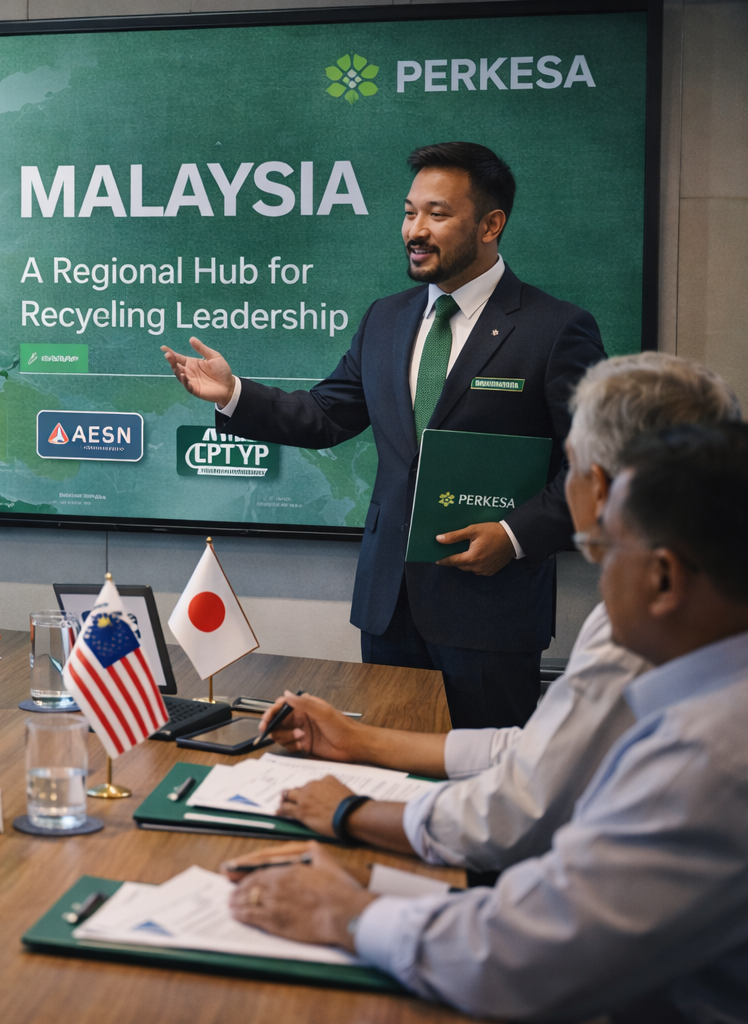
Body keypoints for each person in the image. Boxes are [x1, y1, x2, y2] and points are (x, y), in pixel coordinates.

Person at [225, 421, 748, 1023]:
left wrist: (340, 910)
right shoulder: (697, 699)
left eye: (606, 548)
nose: (599, 574)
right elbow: (534, 758)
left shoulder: (709, 757)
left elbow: (522, 956)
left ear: (663, 579)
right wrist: (363, 759)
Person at [163, 142, 606, 728]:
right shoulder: (386, 318)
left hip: (491, 610)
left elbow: (596, 468)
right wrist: (234, 394)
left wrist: (514, 535)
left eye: (437, 214)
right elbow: (326, 415)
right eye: (409, 212)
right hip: (388, 607)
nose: (415, 231)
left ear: (491, 225)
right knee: (385, 765)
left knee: (483, 771)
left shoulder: (556, 329)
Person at [252, 353, 739, 871]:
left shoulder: (636, 634)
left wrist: (350, 813)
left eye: (569, 465)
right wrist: (357, 740)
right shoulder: (676, 616)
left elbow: (518, 814)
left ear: (596, 487)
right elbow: (536, 751)